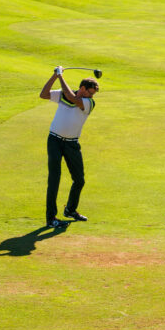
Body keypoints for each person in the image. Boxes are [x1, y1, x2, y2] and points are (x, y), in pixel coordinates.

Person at [39, 67, 99, 228]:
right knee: (54, 179)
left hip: (72, 144)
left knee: (79, 180)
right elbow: (43, 94)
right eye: (89, 92)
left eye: (92, 94)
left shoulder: (88, 103)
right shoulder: (63, 95)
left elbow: (73, 98)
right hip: (54, 141)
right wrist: (54, 75)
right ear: (82, 88)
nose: (91, 96)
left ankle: (70, 210)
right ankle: (51, 218)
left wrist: (60, 76)